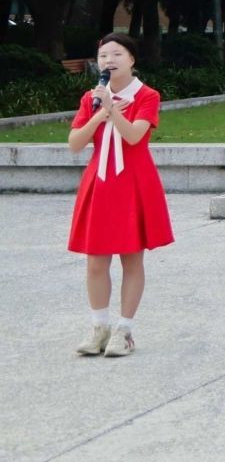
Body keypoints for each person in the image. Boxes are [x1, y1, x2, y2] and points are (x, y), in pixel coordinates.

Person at [67, 33, 174, 357]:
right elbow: (75, 143)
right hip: (99, 184)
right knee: (95, 261)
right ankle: (99, 327)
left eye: (116, 54)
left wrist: (113, 110)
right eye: (103, 56)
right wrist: (100, 112)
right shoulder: (91, 98)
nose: (108, 61)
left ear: (131, 59)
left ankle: (124, 330)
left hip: (133, 182)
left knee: (131, 257)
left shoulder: (147, 95)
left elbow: (134, 136)